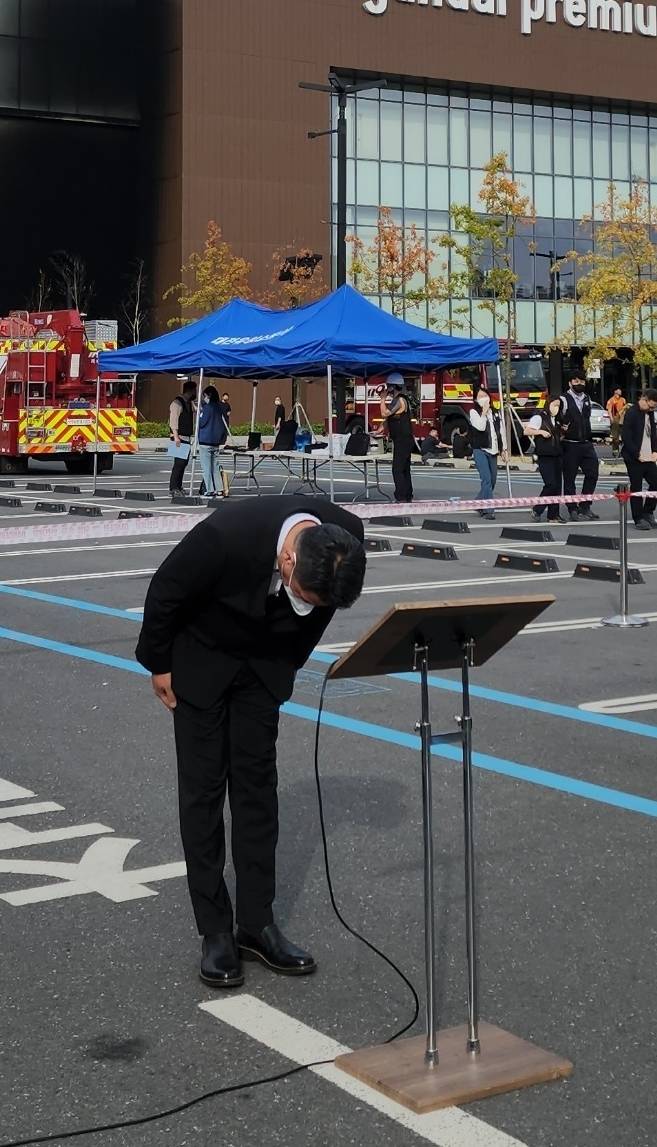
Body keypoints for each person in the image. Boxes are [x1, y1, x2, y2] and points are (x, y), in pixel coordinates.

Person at [136, 496, 367, 988]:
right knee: (202, 795)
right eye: (302, 593)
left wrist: (287, 665)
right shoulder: (226, 536)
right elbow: (165, 591)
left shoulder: (345, 539)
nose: (309, 605)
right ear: (287, 559)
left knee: (258, 790)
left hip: (264, 666)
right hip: (201, 656)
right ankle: (215, 931)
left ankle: (256, 923)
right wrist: (159, 664)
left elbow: (320, 610)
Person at [559, 375, 600, 522]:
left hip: (586, 443)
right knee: (569, 478)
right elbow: (558, 418)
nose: (579, 384)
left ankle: (585, 505)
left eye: (582, 381)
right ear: (570, 383)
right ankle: (572, 508)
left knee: (593, 473)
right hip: (570, 444)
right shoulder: (563, 399)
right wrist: (562, 428)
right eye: (576, 381)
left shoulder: (587, 398)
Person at [525, 398, 566, 523]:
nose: (556, 408)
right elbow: (527, 431)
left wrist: (563, 432)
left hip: (557, 455)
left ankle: (553, 515)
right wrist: (541, 432)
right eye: (554, 405)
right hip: (544, 455)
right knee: (550, 484)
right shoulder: (539, 417)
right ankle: (537, 509)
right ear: (549, 404)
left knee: (557, 487)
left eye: (558, 406)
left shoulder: (558, 420)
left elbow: (559, 436)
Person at [621, 389, 657, 531]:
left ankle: (648, 511)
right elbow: (626, 436)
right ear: (643, 399)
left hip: (649, 457)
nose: (651, 409)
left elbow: (653, 433)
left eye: (654, 408)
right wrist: (636, 454)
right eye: (650, 406)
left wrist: (655, 451)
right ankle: (638, 518)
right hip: (634, 457)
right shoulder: (632, 413)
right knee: (636, 488)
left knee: (655, 483)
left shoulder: (650, 414)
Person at [469, 385, 507, 521]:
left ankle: (478, 502)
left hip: (493, 450)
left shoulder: (496, 413)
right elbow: (480, 426)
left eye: (485, 395)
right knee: (486, 479)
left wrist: (504, 449)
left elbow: (501, 431)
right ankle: (488, 510)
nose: (483, 398)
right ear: (476, 399)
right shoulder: (474, 412)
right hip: (480, 449)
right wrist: (484, 413)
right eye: (480, 396)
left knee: (493, 480)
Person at [379, 372, 414, 502]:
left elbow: (385, 413)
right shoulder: (397, 400)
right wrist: (381, 428)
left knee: (397, 469)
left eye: (389, 386)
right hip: (403, 439)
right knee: (404, 468)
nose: (387, 389)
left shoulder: (399, 400)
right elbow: (390, 417)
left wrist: (382, 399)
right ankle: (407, 495)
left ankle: (401, 496)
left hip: (403, 439)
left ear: (393, 387)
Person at [198, 385, 228, 498]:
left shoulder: (207, 408)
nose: (204, 398)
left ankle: (210, 489)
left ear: (208, 395)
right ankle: (219, 489)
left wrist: (200, 413)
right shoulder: (220, 408)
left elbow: (201, 423)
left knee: (206, 467)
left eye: (205, 396)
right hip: (216, 441)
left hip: (205, 440)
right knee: (215, 467)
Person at [169, 379, 197, 496]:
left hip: (186, 437)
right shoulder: (177, 403)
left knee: (184, 463)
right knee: (179, 464)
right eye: (194, 390)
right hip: (178, 437)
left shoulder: (188, 403)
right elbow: (173, 420)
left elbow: (197, 411)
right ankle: (173, 487)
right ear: (190, 391)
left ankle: (179, 486)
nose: (195, 393)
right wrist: (176, 437)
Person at [606, 387, 627, 457]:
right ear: (615, 391)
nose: (620, 391)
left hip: (622, 419)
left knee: (625, 436)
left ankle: (624, 451)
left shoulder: (623, 399)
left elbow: (625, 409)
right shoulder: (611, 400)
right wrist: (611, 419)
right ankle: (615, 451)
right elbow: (609, 411)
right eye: (619, 390)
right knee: (615, 437)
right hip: (615, 418)